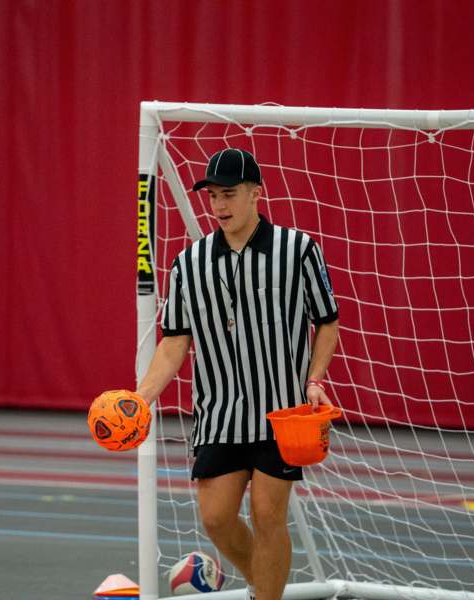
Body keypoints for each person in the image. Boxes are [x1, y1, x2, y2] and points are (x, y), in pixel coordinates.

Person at [135, 148, 340, 600]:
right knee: (216, 518)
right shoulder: (188, 264)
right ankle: (267, 587)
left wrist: (314, 379)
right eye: (212, 196)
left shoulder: (298, 249)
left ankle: (266, 595)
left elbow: (327, 320)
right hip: (219, 413)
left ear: (255, 194)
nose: (219, 205)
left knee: (268, 515)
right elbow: (174, 342)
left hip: (282, 411)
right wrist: (141, 397)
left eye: (228, 194)